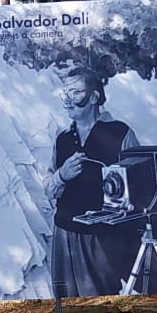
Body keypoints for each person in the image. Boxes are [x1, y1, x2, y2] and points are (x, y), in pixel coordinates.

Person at [47, 55, 140, 298]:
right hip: (64, 234)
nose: (67, 101)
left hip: (103, 240)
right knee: (66, 303)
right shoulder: (63, 139)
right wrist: (61, 176)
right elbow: (48, 187)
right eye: (65, 94)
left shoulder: (120, 134)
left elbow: (142, 184)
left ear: (94, 97)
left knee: (103, 303)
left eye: (75, 93)